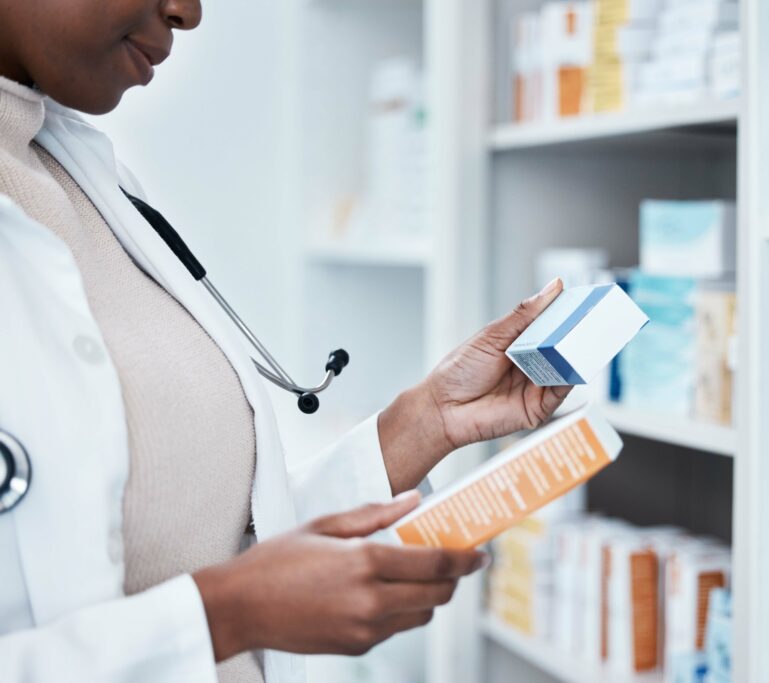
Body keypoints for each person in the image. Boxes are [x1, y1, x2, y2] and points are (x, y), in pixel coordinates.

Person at [0, 1, 571, 681]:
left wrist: (422, 424)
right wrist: (230, 614)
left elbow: (190, 538)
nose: (189, 12)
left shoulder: (81, 172)